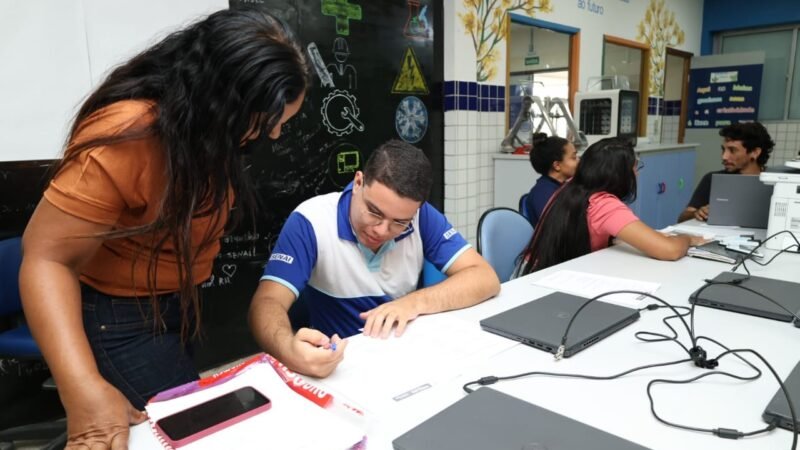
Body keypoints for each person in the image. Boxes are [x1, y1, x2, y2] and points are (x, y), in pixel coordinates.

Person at [19, 9, 309, 449]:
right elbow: (46, 258)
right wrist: (79, 385)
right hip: (120, 317)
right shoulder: (128, 134)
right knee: (190, 436)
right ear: (221, 103)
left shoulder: (208, 133)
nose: (272, 136)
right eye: (266, 123)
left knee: (183, 423)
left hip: (178, 304)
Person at [248, 140, 501, 377]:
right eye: (373, 212)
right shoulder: (310, 221)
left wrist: (412, 303)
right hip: (340, 366)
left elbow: (485, 277)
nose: (381, 230)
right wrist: (289, 349)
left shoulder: (422, 217)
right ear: (358, 182)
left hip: (406, 360)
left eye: (399, 223)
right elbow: (266, 303)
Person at [515, 137, 708, 276]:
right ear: (620, 174)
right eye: (635, 167)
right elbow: (669, 251)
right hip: (556, 280)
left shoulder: (571, 187)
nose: (637, 175)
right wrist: (686, 239)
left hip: (537, 272)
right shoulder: (603, 204)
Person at [678, 122, 774, 223]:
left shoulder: (775, 182)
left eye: (732, 150)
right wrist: (697, 213)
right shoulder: (712, 179)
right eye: (723, 150)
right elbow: (682, 218)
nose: (724, 156)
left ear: (755, 152)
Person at [524, 133, 579, 227]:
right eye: (573, 158)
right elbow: (558, 228)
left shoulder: (561, 187)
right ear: (557, 165)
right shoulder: (543, 194)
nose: (578, 161)